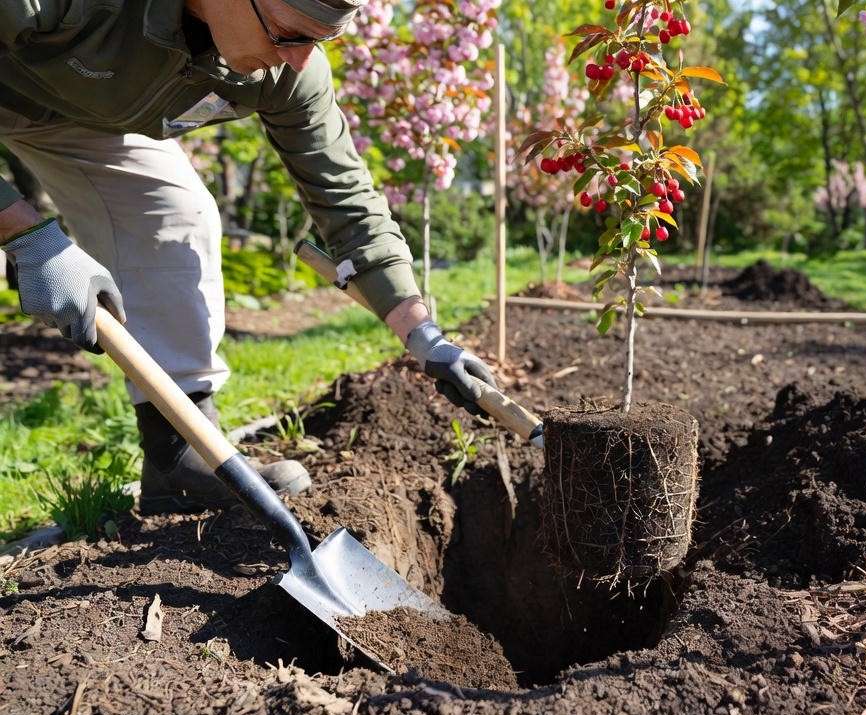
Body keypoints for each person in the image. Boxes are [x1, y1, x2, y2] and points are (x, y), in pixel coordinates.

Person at [0, 0, 498, 512]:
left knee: (176, 217)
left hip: (83, 114)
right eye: (289, 34)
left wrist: (424, 336)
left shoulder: (290, 69)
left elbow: (348, 202)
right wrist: (28, 236)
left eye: (317, 41)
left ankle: (182, 456)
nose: (301, 59)